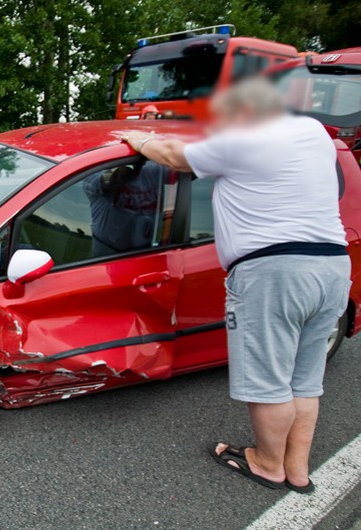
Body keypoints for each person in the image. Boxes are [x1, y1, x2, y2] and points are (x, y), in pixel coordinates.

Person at [122, 78, 351, 494]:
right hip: (332, 267)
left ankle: (265, 464)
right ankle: (296, 470)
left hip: (275, 272)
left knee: (269, 381)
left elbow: (174, 155)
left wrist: (140, 137)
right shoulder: (312, 131)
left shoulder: (243, 141)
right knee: (304, 380)